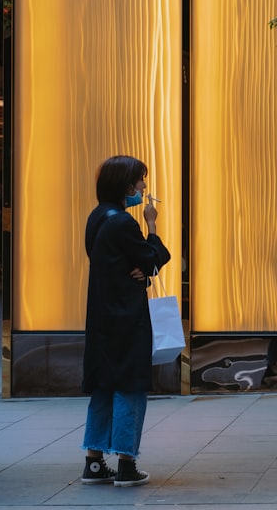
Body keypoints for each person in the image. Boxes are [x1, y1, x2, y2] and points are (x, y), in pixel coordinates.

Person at [80, 155, 171, 487]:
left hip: (102, 317)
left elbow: (125, 262)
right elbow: (152, 257)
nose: (143, 187)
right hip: (126, 318)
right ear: (125, 185)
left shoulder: (97, 217)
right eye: (140, 180)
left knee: (103, 388)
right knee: (130, 388)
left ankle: (93, 462)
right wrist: (152, 226)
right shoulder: (123, 222)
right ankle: (126, 464)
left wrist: (137, 268)